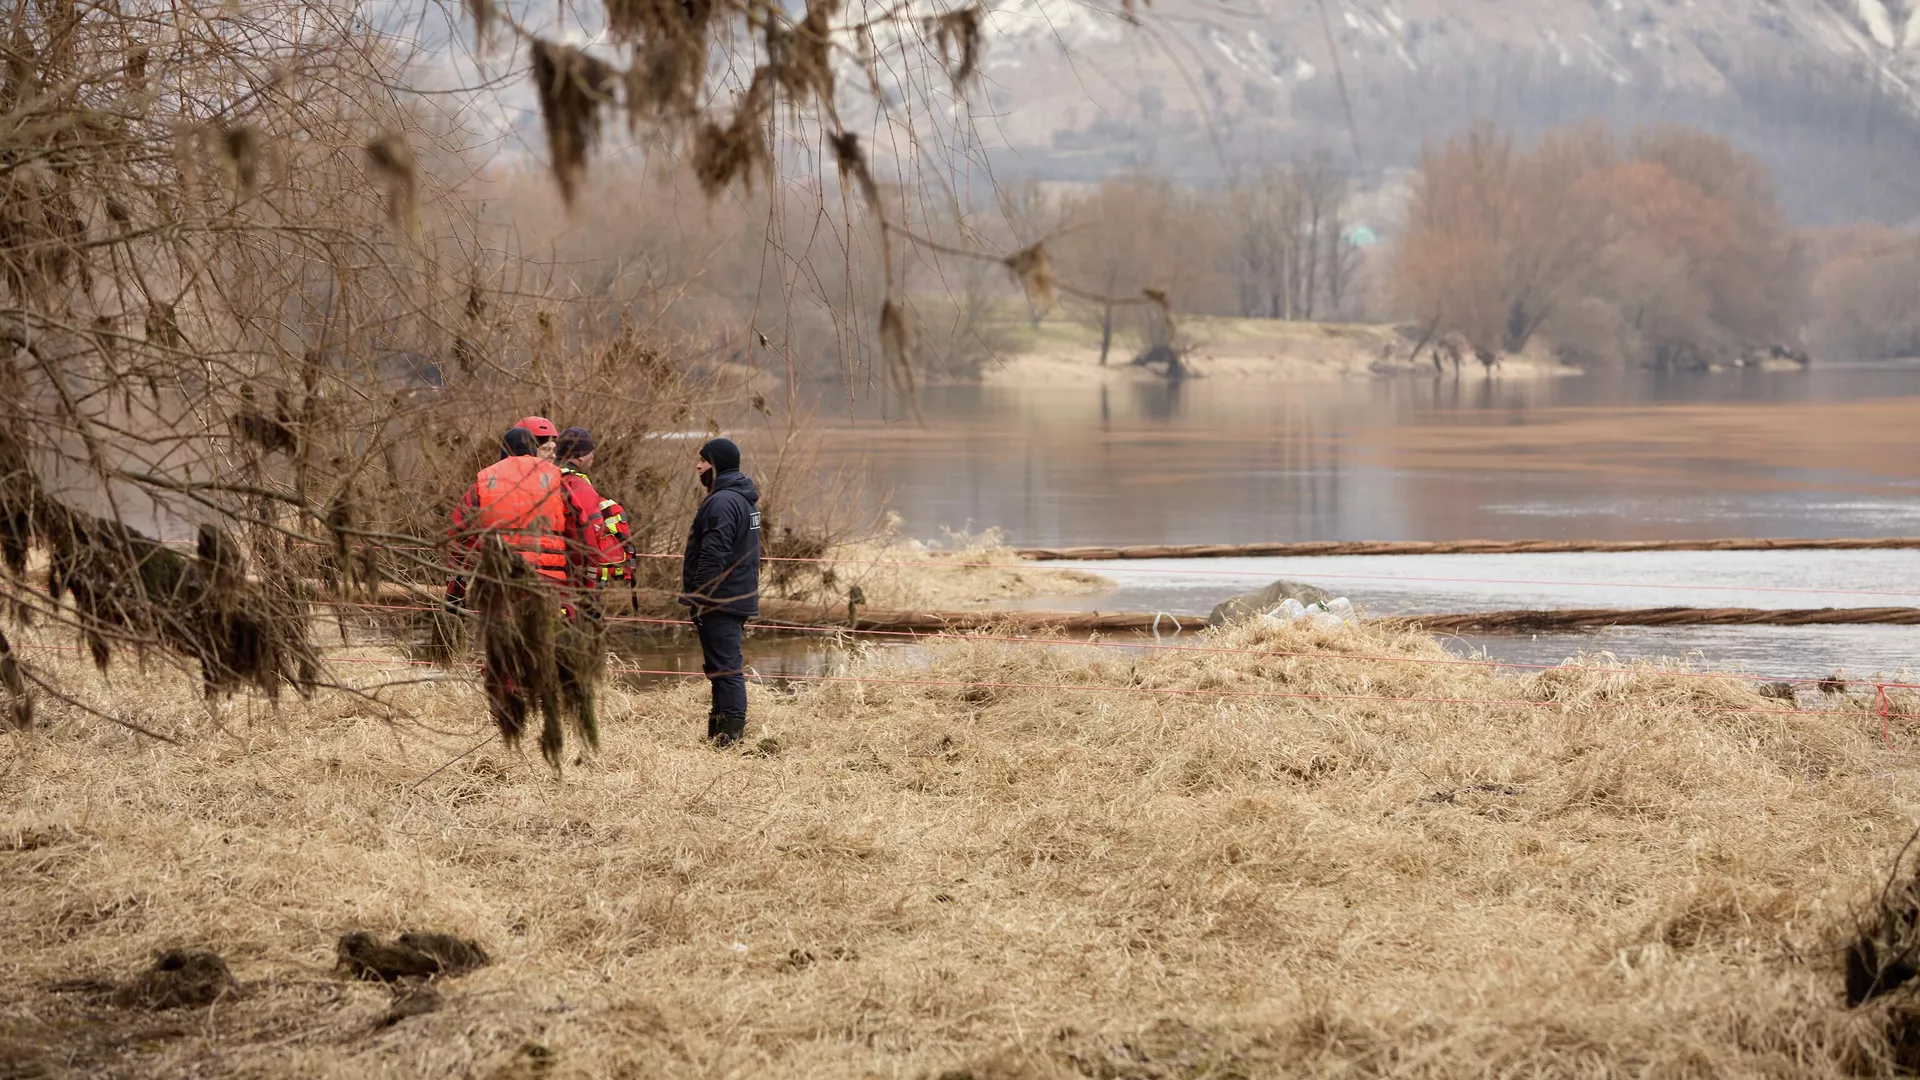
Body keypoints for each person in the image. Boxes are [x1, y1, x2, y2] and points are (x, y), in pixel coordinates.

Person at [681, 436, 760, 748]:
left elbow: (713, 553)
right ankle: (718, 734)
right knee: (719, 666)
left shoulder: (723, 502)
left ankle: (729, 738)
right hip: (735, 595)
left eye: (703, 461)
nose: (698, 466)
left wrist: (699, 596)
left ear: (717, 464)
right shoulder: (741, 498)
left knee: (726, 668)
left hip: (721, 599)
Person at [555, 426, 637, 588]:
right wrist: (589, 578)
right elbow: (591, 532)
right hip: (573, 576)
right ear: (580, 458)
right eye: (591, 452)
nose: (593, 457)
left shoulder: (547, 476)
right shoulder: (577, 484)